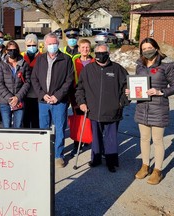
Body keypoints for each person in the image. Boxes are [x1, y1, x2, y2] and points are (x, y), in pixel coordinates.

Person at [126, 38, 174, 184]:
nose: (147, 50)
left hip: (158, 107)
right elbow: (136, 83)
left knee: (158, 140)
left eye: (150, 47)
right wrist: (131, 91)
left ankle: (157, 170)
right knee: (144, 138)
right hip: (142, 107)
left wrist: (160, 92)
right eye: (144, 48)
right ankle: (145, 166)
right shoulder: (140, 66)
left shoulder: (166, 65)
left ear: (156, 48)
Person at [75, 42, 129, 172]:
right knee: (96, 138)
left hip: (113, 111)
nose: (100, 56)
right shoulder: (88, 70)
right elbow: (80, 88)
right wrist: (81, 102)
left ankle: (111, 162)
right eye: (98, 53)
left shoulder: (118, 69)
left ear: (108, 54)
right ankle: (96, 159)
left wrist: (122, 102)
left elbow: (127, 87)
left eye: (103, 53)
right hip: (93, 111)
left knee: (111, 139)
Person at [31, 33, 74, 168]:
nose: (52, 46)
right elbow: (34, 79)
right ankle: (44, 153)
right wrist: (42, 94)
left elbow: (69, 80)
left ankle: (58, 156)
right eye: (49, 44)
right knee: (44, 129)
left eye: (54, 43)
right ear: (45, 45)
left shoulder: (66, 59)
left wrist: (58, 96)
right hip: (43, 101)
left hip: (59, 101)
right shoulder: (40, 59)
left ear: (58, 43)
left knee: (60, 128)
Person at [0, 40, 31, 128]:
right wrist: (10, 99)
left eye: (14, 50)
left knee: (18, 126)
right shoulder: (1, 65)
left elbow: (27, 82)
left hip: (19, 100)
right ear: (6, 51)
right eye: (10, 50)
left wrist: (17, 97)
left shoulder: (24, 64)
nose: (12, 52)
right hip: (5, 101)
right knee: (6, 126)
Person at [70, 39, 95, 156]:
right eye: (83, 47)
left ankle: (88, 139)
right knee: (78, 120)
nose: (85, 49)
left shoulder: (95, 61)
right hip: (77, 95)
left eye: (87, 47)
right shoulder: (74, 61)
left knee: (90, 119)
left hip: (91, 95)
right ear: (79, 49)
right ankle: (77, 144)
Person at [21, 33, 42, 128]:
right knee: (25, 119)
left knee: (36, 119)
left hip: (37, 94)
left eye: (34, 45)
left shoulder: (42, 57)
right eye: (29, 45)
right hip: (24, 93)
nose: (31, 47)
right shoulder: (21, 57)